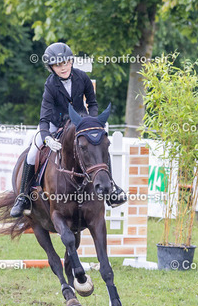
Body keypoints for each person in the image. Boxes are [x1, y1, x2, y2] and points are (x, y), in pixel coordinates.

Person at [10, 42, 127, 217]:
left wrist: (92, 121)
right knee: (33, 151)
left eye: (65, 63)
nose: (63, 68)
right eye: (58, 65)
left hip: (80, 123)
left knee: (98, 146)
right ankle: (23, 196)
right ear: (51, 67)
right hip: (55, 124)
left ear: (71, 61)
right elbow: (44, 118)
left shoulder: (82, 77)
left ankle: (112, 188)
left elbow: (92, 103)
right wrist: (47, 138)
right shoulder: (50, 85)